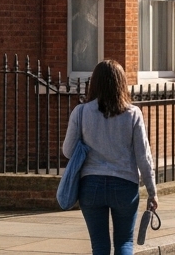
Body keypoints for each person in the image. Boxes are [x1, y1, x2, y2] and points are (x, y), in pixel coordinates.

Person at [62, 60, 157, 255]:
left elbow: (68, 151)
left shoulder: (80, 112)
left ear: (94, 83)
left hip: (91, 185)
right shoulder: (133, 114)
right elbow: (143, 157)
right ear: (122, 83)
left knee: (100, 246)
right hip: (124, 186)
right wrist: (152, 191)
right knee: (124, 243)